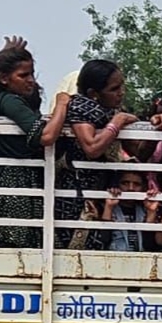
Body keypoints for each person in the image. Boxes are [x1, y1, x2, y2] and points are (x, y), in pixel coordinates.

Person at [0, 44, 68, 248]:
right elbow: (46, 135)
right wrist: (62, 103)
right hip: (13, 188)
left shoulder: (7, 101)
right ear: (4, 78)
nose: (31, 81)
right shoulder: (9, 101)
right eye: (23, 75)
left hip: (19, 184)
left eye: (32, 74)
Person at [56, 60, 139, 251]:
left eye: (122, 86)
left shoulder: (110, 110)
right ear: (94, 93)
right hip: (76, 197)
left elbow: (139, 152)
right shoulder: (81, 106)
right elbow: (91, 147)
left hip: (101, 194)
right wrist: (118, 122)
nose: (121, 92)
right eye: (114, 88)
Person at [103, 171, 158, 253]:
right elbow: (104, 241)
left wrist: (151, 212)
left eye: (136, 184)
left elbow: (149, 246)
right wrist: (109, 207)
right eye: (125, 183)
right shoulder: (108, 208)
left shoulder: (144, 210)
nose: (131, 188)